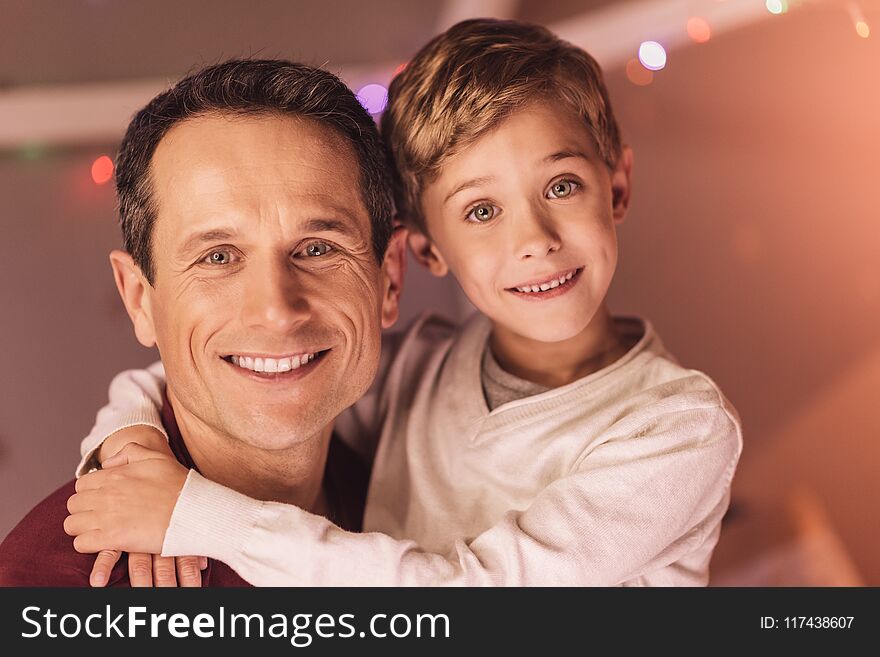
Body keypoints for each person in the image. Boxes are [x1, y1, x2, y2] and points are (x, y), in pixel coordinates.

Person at [67, 19, 742, 586]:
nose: (534, 240)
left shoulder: (680, 428)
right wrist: (130, 442)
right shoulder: (420, 370)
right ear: (424, 251)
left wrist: (195, 515)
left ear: (618, 186)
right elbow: (216, 372)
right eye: (481, 209)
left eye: (562, 186)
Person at [0, 59, 405, 586]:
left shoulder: (413, 492)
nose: (276, 311)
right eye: (218, 257)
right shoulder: (53, 588)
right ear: (140, 300)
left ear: (389, 280)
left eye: (316, 248)